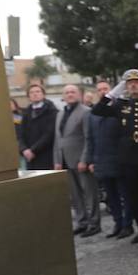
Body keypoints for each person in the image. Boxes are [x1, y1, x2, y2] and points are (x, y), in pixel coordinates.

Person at [91, 69, 138, 244]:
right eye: (129, 83)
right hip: (127, 159)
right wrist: (113, 92)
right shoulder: (121, 104)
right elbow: (97, 110)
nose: (133, 85)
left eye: (137, 82)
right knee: (134, 195)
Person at [53, 84, 99, 237]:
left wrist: (84, 159)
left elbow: (88, 137)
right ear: (63, 96)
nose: (70, 94)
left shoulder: (85, 112)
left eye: (73, 92)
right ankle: (82, 222)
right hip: (65, 160)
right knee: (75, 195)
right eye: (67, 92)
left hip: (80, 160)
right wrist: (57, 160)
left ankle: (94, 223)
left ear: (79, 94)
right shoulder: (60, 114)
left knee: (89, 193)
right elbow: (58, 138)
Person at [89, 80, 132, 239]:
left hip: (119, 159)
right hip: (102, 160)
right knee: (111, 197)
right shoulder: (95, 113)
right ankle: (118, 223)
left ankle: (127, 224)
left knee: (124, 195)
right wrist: (91, 159)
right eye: (99, 89)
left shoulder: (120, 107)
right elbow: (90, 139)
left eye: (105, 89)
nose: (102, 92)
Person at [16, 83, 57, 171]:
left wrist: (33, 150)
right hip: (29, 157)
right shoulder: (26, 113)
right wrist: (24, 149)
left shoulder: (52, 111)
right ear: (28, 96)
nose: (35, 94)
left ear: (43, 94)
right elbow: (21, 134)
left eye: (38, 91)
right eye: (31, 92)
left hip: (46, 155)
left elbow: (49, 134)